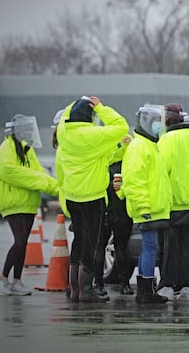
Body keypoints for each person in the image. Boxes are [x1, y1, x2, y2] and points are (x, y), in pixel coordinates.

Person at [56, 96, 129, 303]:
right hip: (92, 197)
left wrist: (80, 101)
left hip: (72, 197)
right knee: (91, 243)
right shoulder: (93, 135)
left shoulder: (64, 133)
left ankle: (74, 289)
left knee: (78, 241)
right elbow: (121, 125)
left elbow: (104, 154)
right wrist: (101, 107)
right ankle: (86, 289)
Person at [0, 114, 59, 295]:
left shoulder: (27, 150)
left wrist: (56, 187)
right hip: (13, 203)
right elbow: (15, 173)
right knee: (20, 242)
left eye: (31, 129)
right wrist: (51, 186)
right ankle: (3, 278)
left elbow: (39, 172)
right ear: (17, 130)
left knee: (23, 243)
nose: (30, 132)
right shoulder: (6, 148)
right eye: (27, 129)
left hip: (28, 203)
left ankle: (17, 281)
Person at [118, 104, 172, 304]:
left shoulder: (149, 145)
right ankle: (146, 292)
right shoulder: (139, 147)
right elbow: (134, 180)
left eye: (160, 122)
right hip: (148, 209)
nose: (159, 126)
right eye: (156, 122)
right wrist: (143, 207)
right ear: (146, 123)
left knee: (148, 248)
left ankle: (145, 289)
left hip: (154, 209)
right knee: (150, 248)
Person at [156, 103, 189, 302]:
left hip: (172, 203)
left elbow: (161, 171)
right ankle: (188, 286)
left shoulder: (167, 140)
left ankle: (168, 286)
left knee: (170, 249)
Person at [103, 136, 135, 295]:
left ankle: (99, 282)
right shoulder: (130, 162)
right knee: (121, 247)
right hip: (123, 211)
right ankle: (124, 283)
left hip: (112, 211)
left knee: (113, 247)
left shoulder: (106, 161)